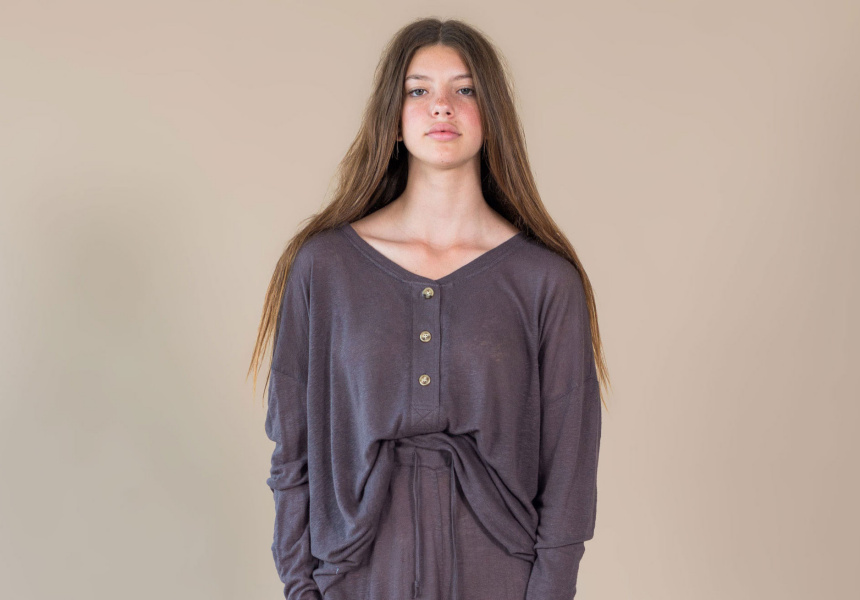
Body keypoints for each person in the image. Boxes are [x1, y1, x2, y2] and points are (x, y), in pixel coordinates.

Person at [248, 17, 610, 600]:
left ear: (492, 114)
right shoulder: (325, 267)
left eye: (465, 89)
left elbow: (570, 470)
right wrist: (301, 588)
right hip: (356, 577)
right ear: (392, 116)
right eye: (418, 90)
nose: (442, 106)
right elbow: (292, 452)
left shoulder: (546, 281)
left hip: (500, 577)